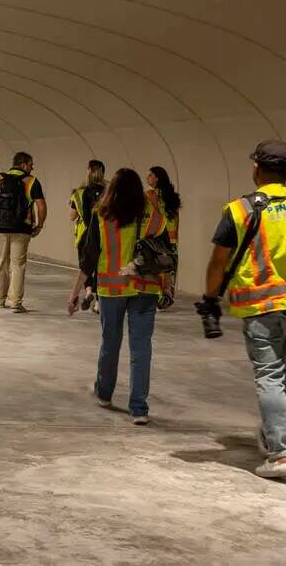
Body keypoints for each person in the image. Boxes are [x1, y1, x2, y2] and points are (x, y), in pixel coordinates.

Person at [196, 140, 286, 479]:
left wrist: (211, 296)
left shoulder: (239, 210)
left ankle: (280, 453)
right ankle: (273, 434)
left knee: (269, 377)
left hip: (260, 308)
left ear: (256, 169)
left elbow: (218, 261)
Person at [76, 168, 168, 425]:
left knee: (110, 343)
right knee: (141, 350)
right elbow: (165, 251)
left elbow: (89, 257)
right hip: (146, 289)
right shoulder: (153, 215)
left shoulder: (102, 215)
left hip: (112, 289)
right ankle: (139, 408)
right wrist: (167, 285)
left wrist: (76, 292)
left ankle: (104, 393)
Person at [0, 152, 47, 313]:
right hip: (21, 229)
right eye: (31, 164)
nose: (32, 167)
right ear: (23, 164)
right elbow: (41, 205)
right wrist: (39, 225)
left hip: (0, 228)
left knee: (1, 262)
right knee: (17, 265)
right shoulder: (31, 181)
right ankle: (15, 302)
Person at [67, 160, 107, 314]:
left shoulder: (81, 192)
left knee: (86, 266)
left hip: (86, 235)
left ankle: (88, 291)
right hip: (106, 235)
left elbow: (78, 215)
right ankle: (98, 302)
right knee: (100, 268)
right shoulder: (109, 191)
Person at [146, 166, 182, 310]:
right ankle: (168, 293)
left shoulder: (150, 195)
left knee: (155, 267)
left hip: (157, 236)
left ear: (157, 178)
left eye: (150, 175)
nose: (147, 178)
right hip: (171, 237)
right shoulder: (172, 196)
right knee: (168, 268)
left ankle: (160, 295)